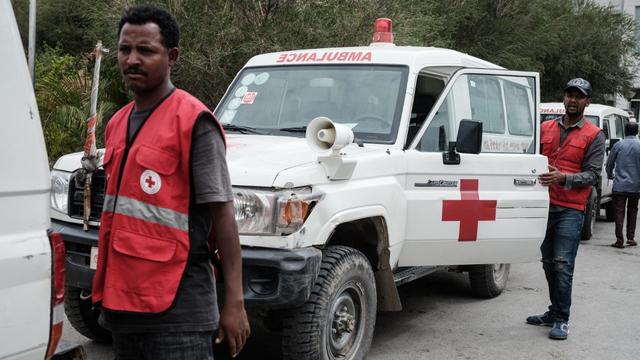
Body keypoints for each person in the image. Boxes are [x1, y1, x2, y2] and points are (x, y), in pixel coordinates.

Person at [91, 5, 250, 359]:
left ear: (172, 56)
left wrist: (234, 302)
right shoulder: (117, 123)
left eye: (145, 50)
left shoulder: (194, 123)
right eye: (124, 49)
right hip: (123, 306)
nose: (132, 59)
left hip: (179, 313)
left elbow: (223, 216)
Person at [526, 78, 605, 340]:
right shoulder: (545, 127)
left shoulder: (594, 135)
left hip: (570, 208)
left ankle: (562, 318)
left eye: (579, 96)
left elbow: (593, 175)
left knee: (562, 264)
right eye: (569, 95)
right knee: (548, 263)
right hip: (543, 205)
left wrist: (564, 178)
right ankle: (553, 310)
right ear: (564, 98)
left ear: (587, 102)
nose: (573, 100)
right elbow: (530, 160)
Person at [606, 122, 640, 248]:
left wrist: (610, 175)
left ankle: (619, 240)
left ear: (625, 131)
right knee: (632, 211)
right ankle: (630, 238)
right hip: (635, 187)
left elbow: (609, 163)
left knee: (619, 213)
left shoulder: (618, 145)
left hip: (619, 186)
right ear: (637, 132)